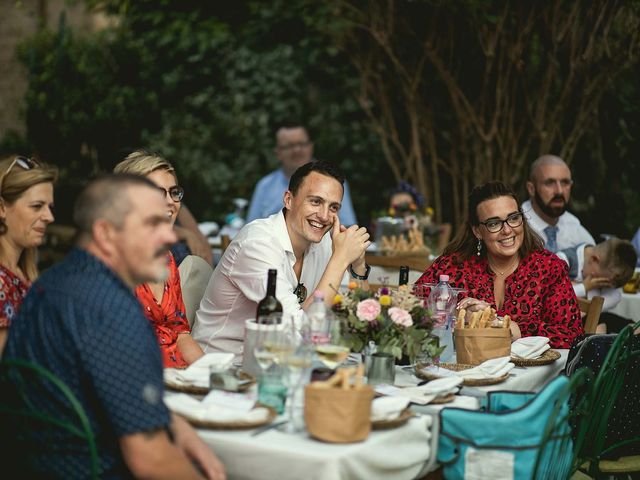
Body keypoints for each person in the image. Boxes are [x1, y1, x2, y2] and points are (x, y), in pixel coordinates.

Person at [2, 174, 225, 479]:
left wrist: (174, 424)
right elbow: (151, 460)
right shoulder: (113, 311)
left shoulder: (52, 283)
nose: (171, 238)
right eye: (151, 225)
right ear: (105, 234)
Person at [193, 161, 370, 357]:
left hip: (279, 363)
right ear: (288, 200)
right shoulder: (257, 243)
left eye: (333, 207)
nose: (324, 216)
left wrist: (357, 267)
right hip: (220, 366)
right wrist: (340, 259)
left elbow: (358, 327)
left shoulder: (325, 244)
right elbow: (297, 335)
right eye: (315, 202)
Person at [416, 181, 583, 348]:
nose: (507, 230)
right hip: (464, 369)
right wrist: (455, 315)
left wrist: (514, 329)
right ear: (477, 231)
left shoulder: (549, 268)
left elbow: (572, 335)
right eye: (494, 223)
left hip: (535, 373)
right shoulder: (453, 266)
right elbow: (408, 312)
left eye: (513, 218)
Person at [114, 150, 204, 368]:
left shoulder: (167, 259)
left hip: (178, 380)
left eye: (174, 193)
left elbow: (181, 333)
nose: (170, 202)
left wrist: (209, 375)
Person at [246, 123, 357, 226]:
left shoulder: (334, 182)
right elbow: (251, 228)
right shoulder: (265, 185)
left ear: (311, 146)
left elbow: (347, 226)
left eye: (301, 144)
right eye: (289, 146)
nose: (297, 150)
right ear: (277, 153)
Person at [0, 155, 57, 355]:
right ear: (1, 208)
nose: (49, 217)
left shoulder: (22, 273)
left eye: (50, 207)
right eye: (36, 206)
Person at [522, 155, 595, 252]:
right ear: (531, 189)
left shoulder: (573, 226)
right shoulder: (516, 228)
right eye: (550, 183)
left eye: (565, 183)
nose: (559, 191)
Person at [556, 238, 637, 311]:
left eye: (605, 285)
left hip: (581, 315)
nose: (598, 284)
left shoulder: (603, 266)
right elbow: (551, 295)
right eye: (600, 280)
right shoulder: (562, 260)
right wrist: (584, 287)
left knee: (615, 295)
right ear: (594, 259)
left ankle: (590, 310)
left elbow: (614, 297)